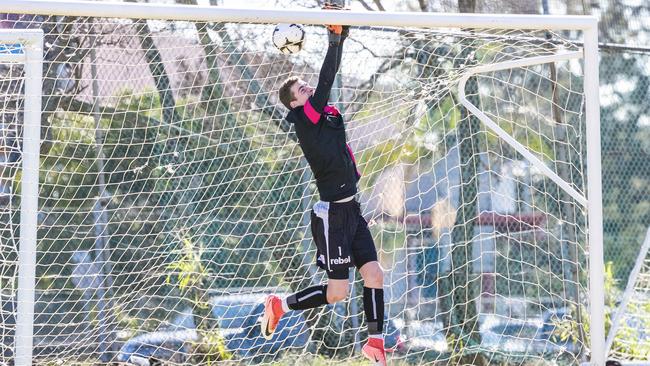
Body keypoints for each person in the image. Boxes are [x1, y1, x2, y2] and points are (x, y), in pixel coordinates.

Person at [261, 6, 389, 365]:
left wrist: (339, 34)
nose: (308, 87)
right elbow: (328, 77)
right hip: (333, 215)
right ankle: (280, 304)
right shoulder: (305, 117)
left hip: (353, 209)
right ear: (295, 103)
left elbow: (326, 92)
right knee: (337, 293)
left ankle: (374, 342)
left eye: (305, 85)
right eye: (302, 89)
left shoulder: (325, 114)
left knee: (375, 274)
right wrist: (336, 38)